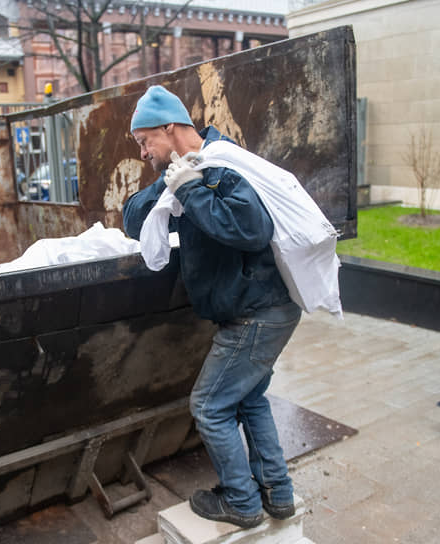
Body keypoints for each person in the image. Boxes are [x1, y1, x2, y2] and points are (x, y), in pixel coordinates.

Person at [122, 85, 301, 528]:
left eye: (145, 141)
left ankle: (241, 502)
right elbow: (133, 217)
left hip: (258, 314)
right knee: (250, 399)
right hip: (261, 311)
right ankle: (277, 495)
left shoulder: (224, 165)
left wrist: (193, 189)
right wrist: (175, 181)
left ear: (169, 128)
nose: (143, 152)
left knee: (209, 405)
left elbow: (250, 229)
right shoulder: (190, 169)